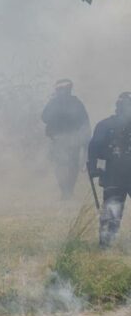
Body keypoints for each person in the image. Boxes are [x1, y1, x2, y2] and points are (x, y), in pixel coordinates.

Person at [87, 92, 131, 248]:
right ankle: (106, 246)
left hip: (114, 175)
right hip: (114, 175)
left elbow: (94, 149)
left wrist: (93, 167)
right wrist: (92, 167)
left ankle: (106, 245)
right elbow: (94, 149)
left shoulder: (104, 125)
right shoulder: (105, 125)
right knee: (112, 211)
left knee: (112, 211)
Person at [42, 79, 90, 198]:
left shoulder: (75, 103)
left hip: (72, 139)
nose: (61, 92)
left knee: (71, 165)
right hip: (58, 139)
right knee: (61, 165)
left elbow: (84, 122)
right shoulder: (54, 103)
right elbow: (44, 117)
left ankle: (68, 191)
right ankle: (65, 191)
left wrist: (85, 139)